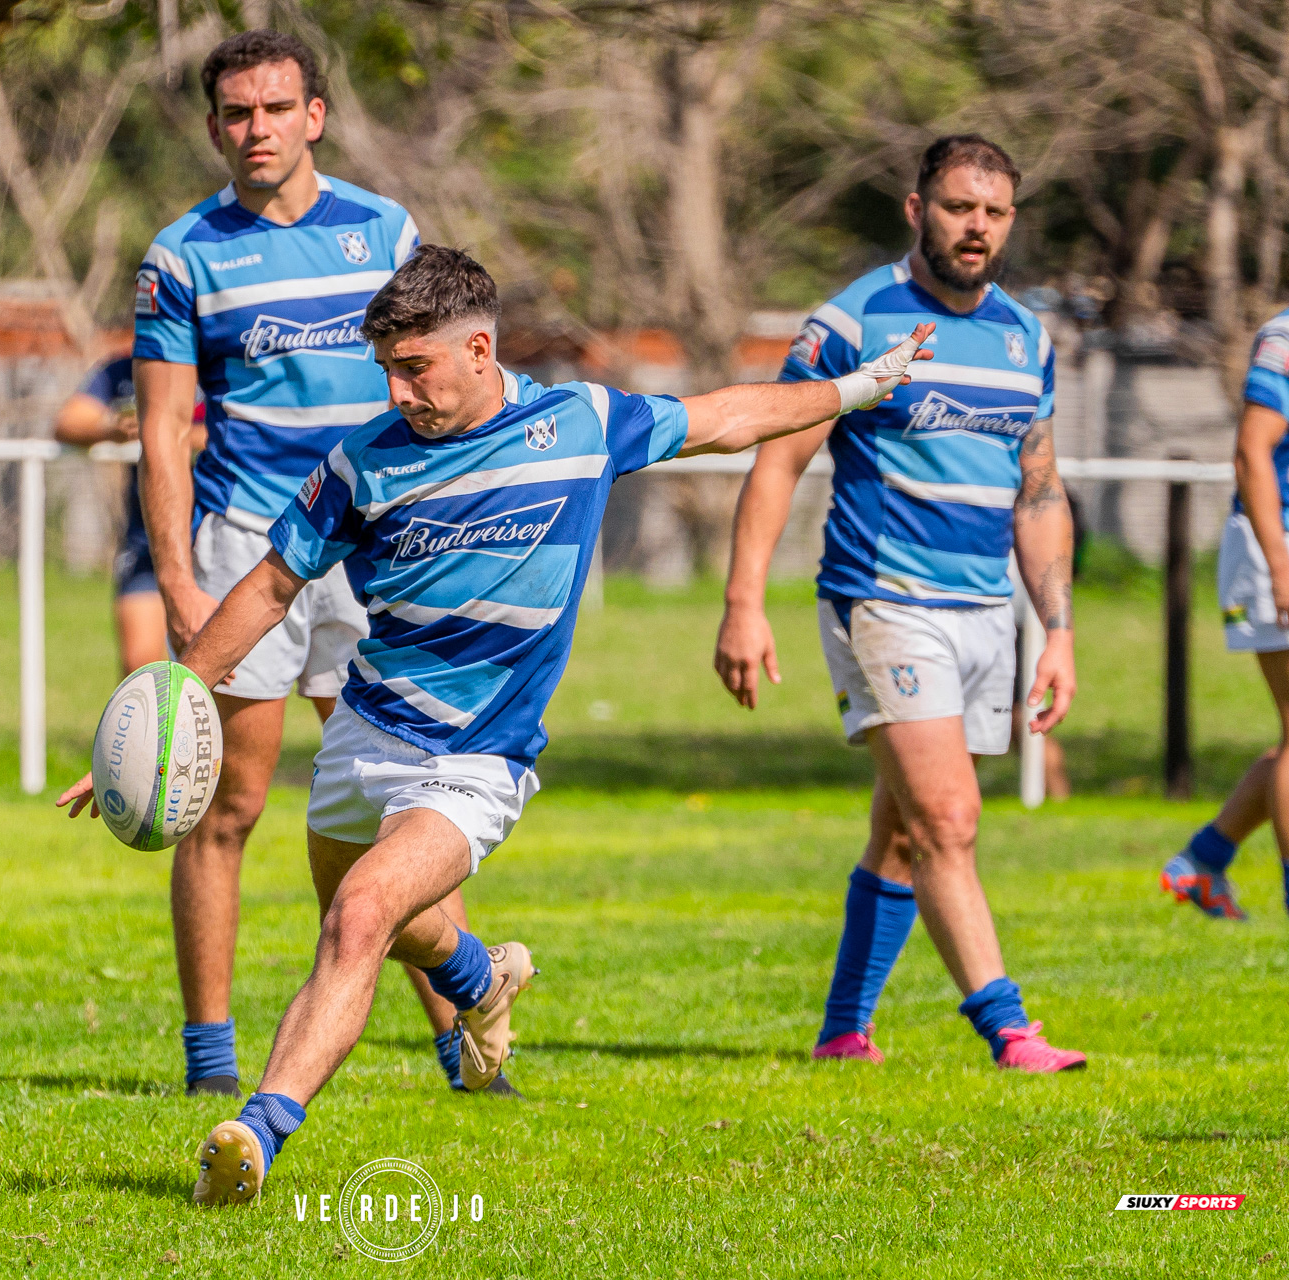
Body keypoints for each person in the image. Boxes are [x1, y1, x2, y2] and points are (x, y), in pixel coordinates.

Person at [63, 244, 935, 1204]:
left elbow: (728, 419)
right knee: (388, 922)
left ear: (479, 347)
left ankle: (256, 1132)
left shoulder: (581, 423)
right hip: (367, 732)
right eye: (386, 369)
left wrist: (855, 387)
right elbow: (271, 587)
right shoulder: (364, 462)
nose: (396, 390)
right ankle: (482, 978)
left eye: (415, 368)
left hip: (480, 755)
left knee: (359, 917)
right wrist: (167, 711)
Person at [129, 29, 493, 1098]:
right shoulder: (181, 253)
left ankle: (465, 1044)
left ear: (314, 116)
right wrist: (180, 580)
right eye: (236, 114)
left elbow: (440, 390)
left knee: (408, 800)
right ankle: (210, 1064)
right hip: (252, 546)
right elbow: (160, 432)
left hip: (384, 548)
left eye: (275, 109)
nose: (256, 130)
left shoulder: (385, 231)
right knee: (226, 801)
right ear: (213, 129)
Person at [714, 135, 1087, 1073]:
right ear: (918, 209)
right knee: (950, 820)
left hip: (983, 611)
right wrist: (742, 603)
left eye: (995, 212)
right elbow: (780, 459)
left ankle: (843, 1031)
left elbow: (1039, 491)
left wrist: (1059, 631)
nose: (978, 228)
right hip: (881, 601)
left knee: (903, 827)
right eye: (960, 208)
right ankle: (1010, 1030)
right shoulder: (853, 322)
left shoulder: (1025, 339)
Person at [1160, 307, 1289, 921]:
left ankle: (1203, 859)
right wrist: (1281, 564)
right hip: (1280, 539)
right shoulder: (1285, 336)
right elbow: (1251, 450)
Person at [53, 355, 206, 675]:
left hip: (223, 531)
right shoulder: (123, 371)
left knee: (224, 670)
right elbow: (68, 421)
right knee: (140, 668)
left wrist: (169, 436)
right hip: (149, 538)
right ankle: (155, 726)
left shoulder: (223, 362)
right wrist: (112, 428)